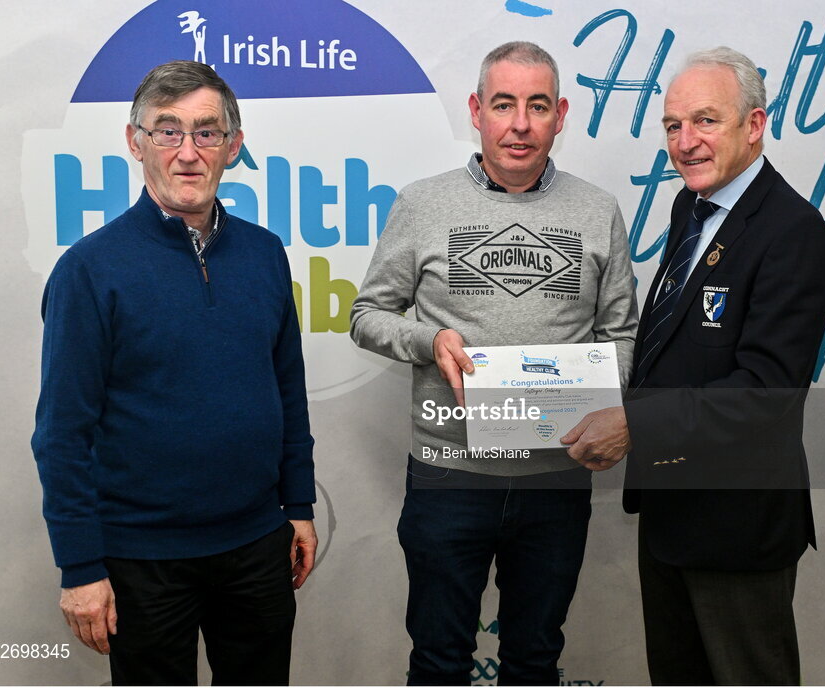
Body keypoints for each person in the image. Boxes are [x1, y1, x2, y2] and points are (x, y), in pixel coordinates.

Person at [350, 41, 637, 686]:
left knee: (534, 661)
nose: (520, 124)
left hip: (556, 479)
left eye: (538, 106)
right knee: (438, 660)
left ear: (561, 115)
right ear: (477, 111)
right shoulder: (422, 204)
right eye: (504, 105)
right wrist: (430, 341)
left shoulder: (598, 211)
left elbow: (622, 334)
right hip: (448, 475)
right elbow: (367, 315)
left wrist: (599, 402)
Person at [31, 60, 316, 686]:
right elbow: (61, 434)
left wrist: (297, 504)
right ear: (136, 143)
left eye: (206, 132)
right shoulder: (89, 271)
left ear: (233, 146)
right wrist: (80, 567)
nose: (188, 153)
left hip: (256, 544)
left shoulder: (266, 253)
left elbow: (288, 394)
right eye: (167, 131)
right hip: (141, 559)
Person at [562, 46, 825, 685]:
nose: (685, 143)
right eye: (673, 125)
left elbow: (766, 393)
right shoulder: (692, 207)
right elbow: (670, 349)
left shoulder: (793, 230)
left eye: (705, 121)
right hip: (671, 515)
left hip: (737, 530)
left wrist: (634, 425)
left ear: (754, 125)